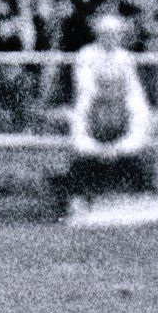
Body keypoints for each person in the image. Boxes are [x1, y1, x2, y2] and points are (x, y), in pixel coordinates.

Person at [63, 11, 152, 212]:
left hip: (120, 142)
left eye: (115, 33)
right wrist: (99, 150)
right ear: (97, 34)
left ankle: (138, 205)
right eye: (105, 33)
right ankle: (79, 204)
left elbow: (138, 129)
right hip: (95, 143)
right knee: (83, 162)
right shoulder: (86, 56)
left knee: (136, 161)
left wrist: (118, 149)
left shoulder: (126, 59)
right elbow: (79, 140)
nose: (110, 38)